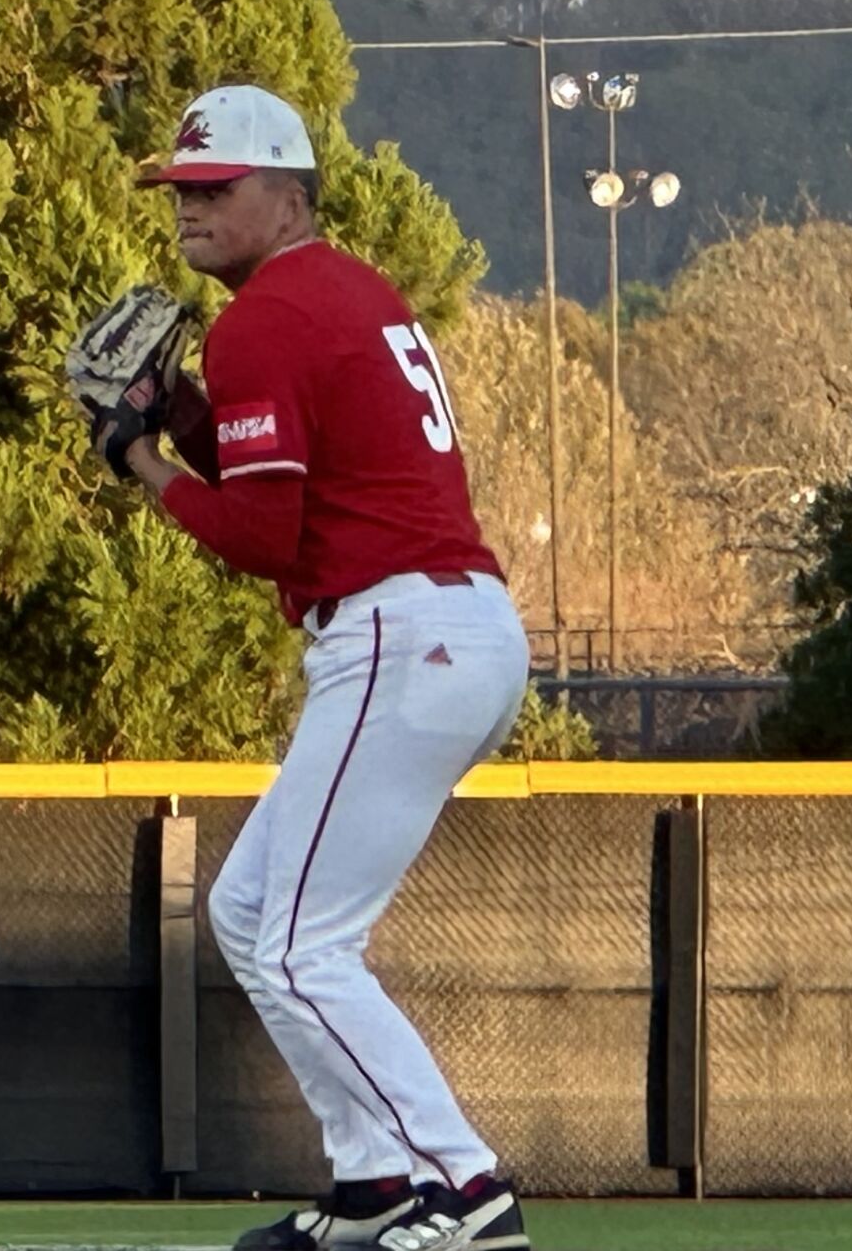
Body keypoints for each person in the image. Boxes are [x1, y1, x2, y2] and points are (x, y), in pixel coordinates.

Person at [106, 85, 532, 1251]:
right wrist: (188, 414)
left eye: (216, 186)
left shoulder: (266, 318)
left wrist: (140, 455)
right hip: (441, 623)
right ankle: (373, 1185)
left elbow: (262, 539)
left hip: (398, 631)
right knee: (249, 910)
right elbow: (296, 483)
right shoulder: (340, 292)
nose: (188, 206)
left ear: (288, 196)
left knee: (297, 942)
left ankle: (463, 1187)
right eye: (179, 189)